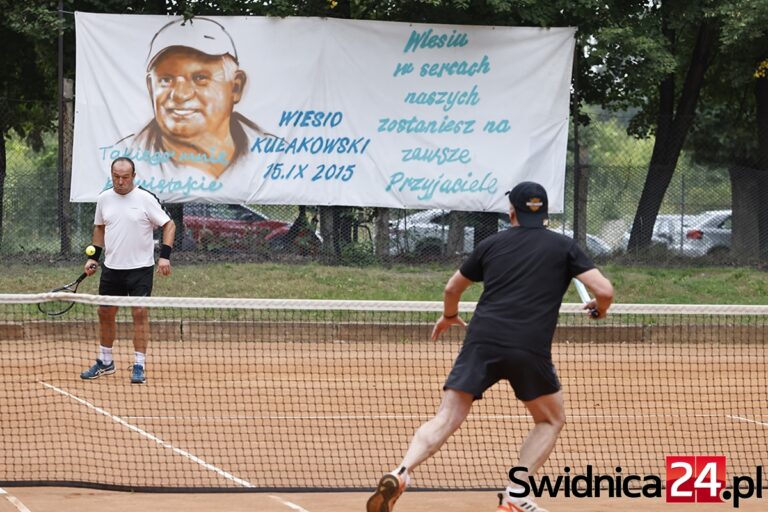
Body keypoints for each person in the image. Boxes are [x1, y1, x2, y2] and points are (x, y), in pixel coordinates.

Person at [366, 181, 614, 512]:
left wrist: (450, 316)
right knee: (550, 420)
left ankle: (402, 471)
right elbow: (605, 291)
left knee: (447, 416)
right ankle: (516, 494)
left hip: (481, 340)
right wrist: (599, 309)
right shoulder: (564, 246)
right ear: (544, 212)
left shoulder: (491, 244)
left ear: (511, 211)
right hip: (528, 347)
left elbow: (452, 287)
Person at [112, 17, 273, 199]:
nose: (180, 94)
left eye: (200, 78)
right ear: (150, 87)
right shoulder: (126, 155)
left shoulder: (274, 154)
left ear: (235, 87)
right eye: (166, 80)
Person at [80, 157, 176, 385]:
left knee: (140, 313)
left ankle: (139, 364)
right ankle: (105, 361)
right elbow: (100, 228)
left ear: (133, 176)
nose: (120, 181)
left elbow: (169, 225)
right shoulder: (104, 199)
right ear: (111, 175)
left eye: (125, 177)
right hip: (112, 269)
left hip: (140, 269)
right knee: (105, 313)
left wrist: (164, 256)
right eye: (116, 177)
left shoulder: (145, 199)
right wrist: (93, 258)